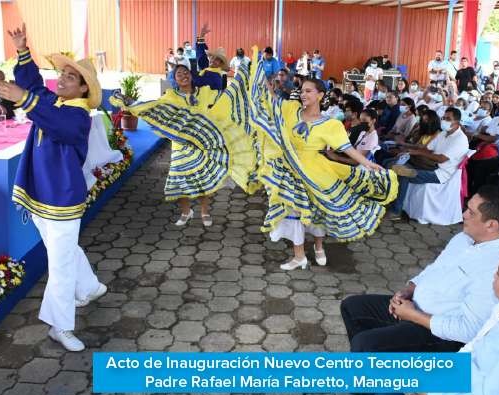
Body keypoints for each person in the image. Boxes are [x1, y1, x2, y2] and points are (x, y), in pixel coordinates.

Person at [0, 23, 107, 351]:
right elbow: (31, 85)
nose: (61, 78)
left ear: (84, 89)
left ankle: (60, 327)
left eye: (71, 77)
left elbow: (51, 119)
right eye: (62, 74)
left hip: (60, 200)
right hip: (40, 194)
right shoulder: (54, 101)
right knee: (64, 251)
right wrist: (22, 50)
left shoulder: (78, 116)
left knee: (58, 265)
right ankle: (88, 286)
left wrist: (25, 98)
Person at [252, 51, 396, 269]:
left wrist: (367, 163)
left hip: (316, 171)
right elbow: (272, 98)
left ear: (320, 95)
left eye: (308, 91)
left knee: (317, 209)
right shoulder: (290, 110)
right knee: (293, 211)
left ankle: (318, 246)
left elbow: (346, 148)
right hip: (290, 169)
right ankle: (299, 256)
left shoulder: (330, 124)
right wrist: (260, 77)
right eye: (302, 90)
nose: (303, 94)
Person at [343, 185, 499, 353]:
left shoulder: (497, 266)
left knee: (365, 343)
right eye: (466, 209)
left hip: (441, 336)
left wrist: (413, 316)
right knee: (352, 307)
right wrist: (408, 291)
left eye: (471, 212)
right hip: (415, 308)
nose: (464, 215)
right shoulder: (464, 238)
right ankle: (376, 368)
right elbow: (435, 269)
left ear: (491, 225)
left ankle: (372, 372)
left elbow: (468, 330)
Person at [375, 246, 499, 395]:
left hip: (463, 392)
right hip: (460, 376)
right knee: (370, 372)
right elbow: (475, 346)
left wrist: (428, 392)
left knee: (384, 394)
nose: (493, 277)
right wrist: (437, 371)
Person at [111, 61, 260, 228]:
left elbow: (226, 100)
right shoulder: (170, 97)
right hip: (180, 144)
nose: (183, 76)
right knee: (178, 177)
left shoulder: (205, 93)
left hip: (203, 143)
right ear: (174, 79)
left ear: (192, 75)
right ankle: (186, 211)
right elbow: (154, 107)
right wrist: (132, 102)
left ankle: (205, 211)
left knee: (202, 177)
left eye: (185, 72)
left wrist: (242, 82)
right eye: (179, 74)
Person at [384, 108, 469, 220]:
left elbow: (441, 159)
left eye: (448, 118)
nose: (444, 120)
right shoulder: (443, 133)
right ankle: (387, 196)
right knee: (392, 164)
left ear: (457, 122)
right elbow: (428, 149)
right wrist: (409, 151)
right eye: (443, 118)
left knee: (403, 175)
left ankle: (396, 211)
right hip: (428, 165)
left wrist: (417, 151)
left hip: (440, 173)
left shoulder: (460, 139)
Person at [194, 23, 229, 91]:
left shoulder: (215, 75)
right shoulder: (208, 68)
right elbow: (201, 53)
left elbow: (198, 80)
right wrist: (201, 36)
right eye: (212, 57)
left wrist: (183, 73)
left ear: (220, 64)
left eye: (217, 59)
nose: (213, 60)